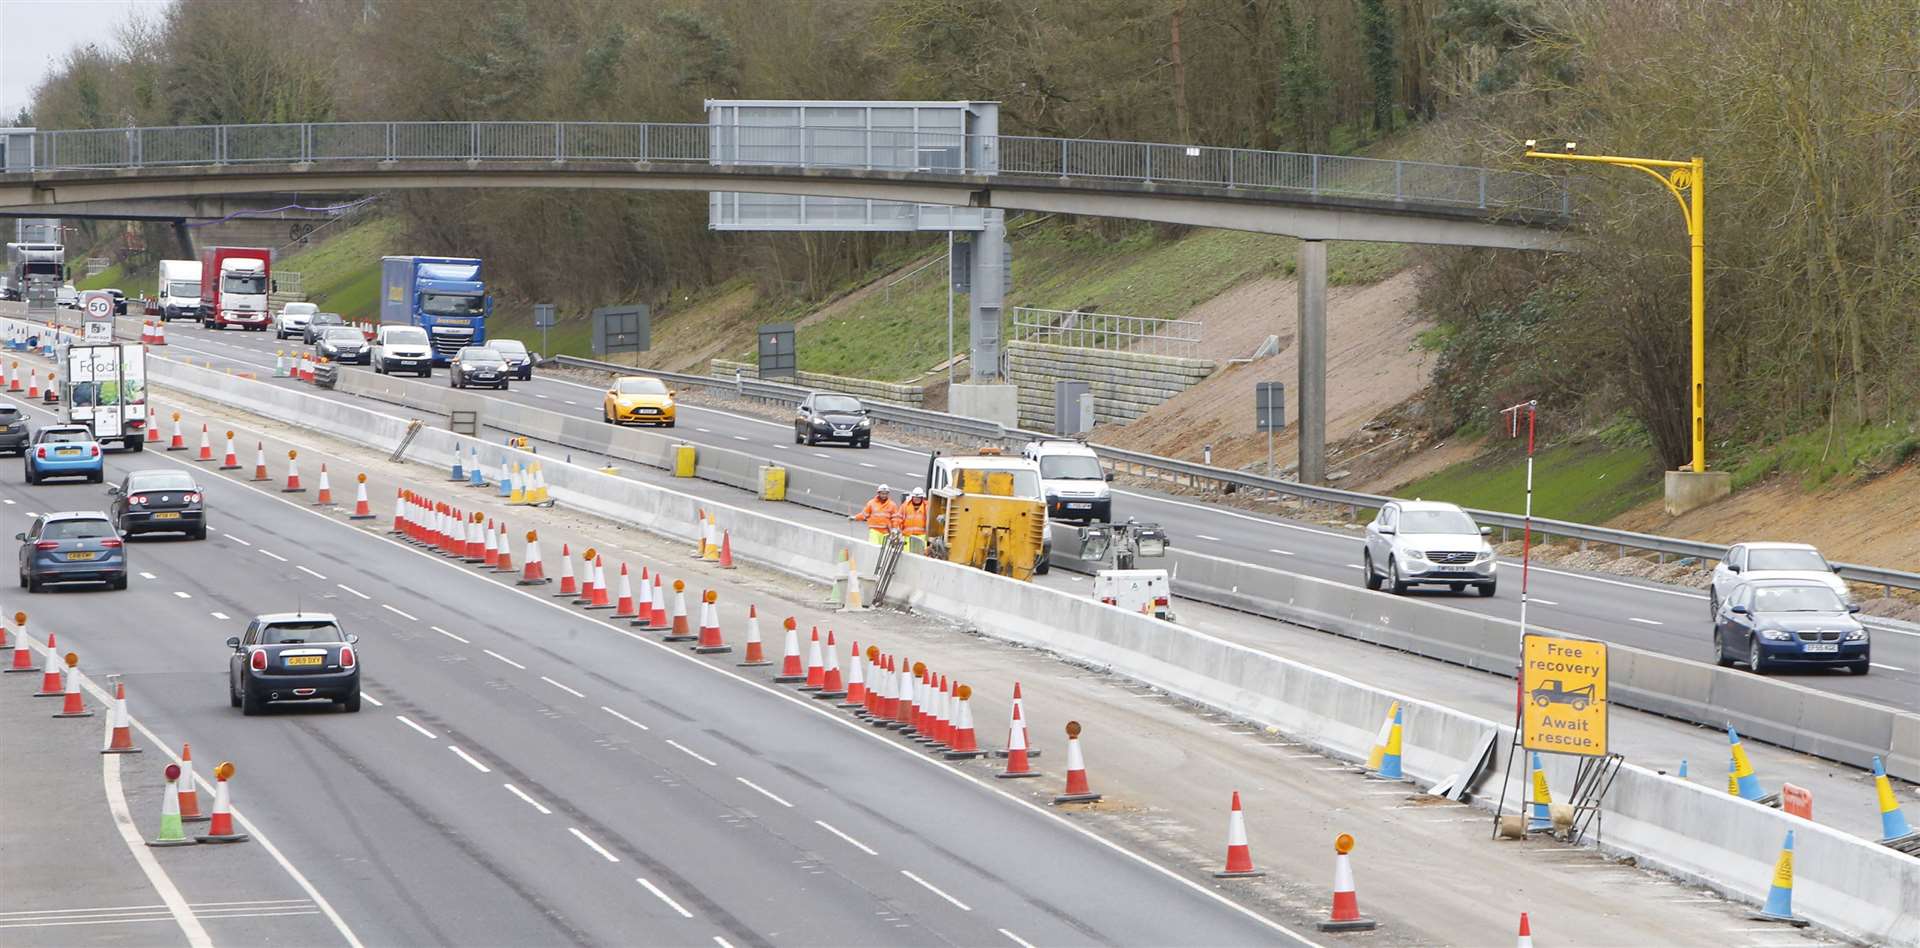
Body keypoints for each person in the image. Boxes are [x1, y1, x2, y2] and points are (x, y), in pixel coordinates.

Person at [894, 487, 929, 554]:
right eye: (915, 497)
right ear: (912, 497)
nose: (917, 499)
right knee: (907, 555)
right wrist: (897, 531)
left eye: (919, 498)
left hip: (921, 537)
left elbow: (930, 521)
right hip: (907, 536)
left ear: (922, 498)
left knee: (920, 556)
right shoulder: (905, 506)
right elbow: (898, 518)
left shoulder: (926, 506)